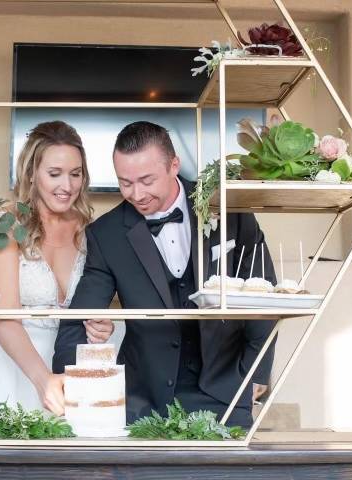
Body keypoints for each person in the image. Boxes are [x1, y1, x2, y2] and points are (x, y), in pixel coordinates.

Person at [52, 121, 276, 427]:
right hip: (143, 398)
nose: (136, 193)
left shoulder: (230, 209)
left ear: (174, 165)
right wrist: (66, 377)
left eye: (146, 180)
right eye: (125, 182)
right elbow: (80, 315)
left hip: (226, 389)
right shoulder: (106, 234)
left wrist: (255, 372)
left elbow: (265, 292)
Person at [0, 121, 114, 416]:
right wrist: (44, 381)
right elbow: (4, 319)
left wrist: (101, 324)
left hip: (67, 364)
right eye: (55, 174)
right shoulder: (4, 228)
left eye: (75, 174)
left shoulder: (92, 232)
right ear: (31, 174)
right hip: (7, 364)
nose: (67, 186)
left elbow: (98, 301)